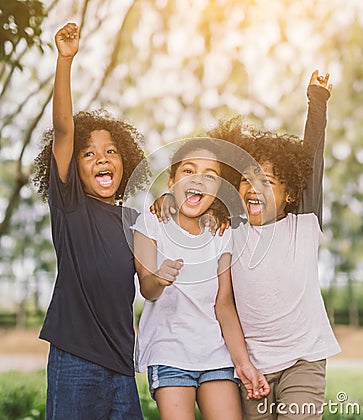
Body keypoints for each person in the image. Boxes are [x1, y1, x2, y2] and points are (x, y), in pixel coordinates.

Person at [152, 71, 341, 419]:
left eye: (267, 182)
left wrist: (317, 99)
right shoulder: (229, 227)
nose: (254, 188)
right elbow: (196, 196)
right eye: (246, 179)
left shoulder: (303, 223)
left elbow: (313, 159)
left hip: (303, 359)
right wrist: (167, 199)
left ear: (290, 194)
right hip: (251, 367)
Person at [31, 23, 149, 419]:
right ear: (73, 169)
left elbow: (148, 284)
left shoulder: (134, 221)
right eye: (89, 154)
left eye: (111, 151)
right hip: (75, 362)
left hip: (121, 367)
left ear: (125, 161)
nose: (102, 158)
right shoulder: (70, 208)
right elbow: (65, 127)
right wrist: (65, 61)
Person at [132, 137, 269, 420]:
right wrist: (158, 277)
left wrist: (244, 364)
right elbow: (148, 289)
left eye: (210, 176)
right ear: (171, 182)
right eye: (188, 171)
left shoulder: (222, 233)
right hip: (168, 352)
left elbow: (224, 305)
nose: (198, 180)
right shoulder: (151, 223)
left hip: (216, 355)